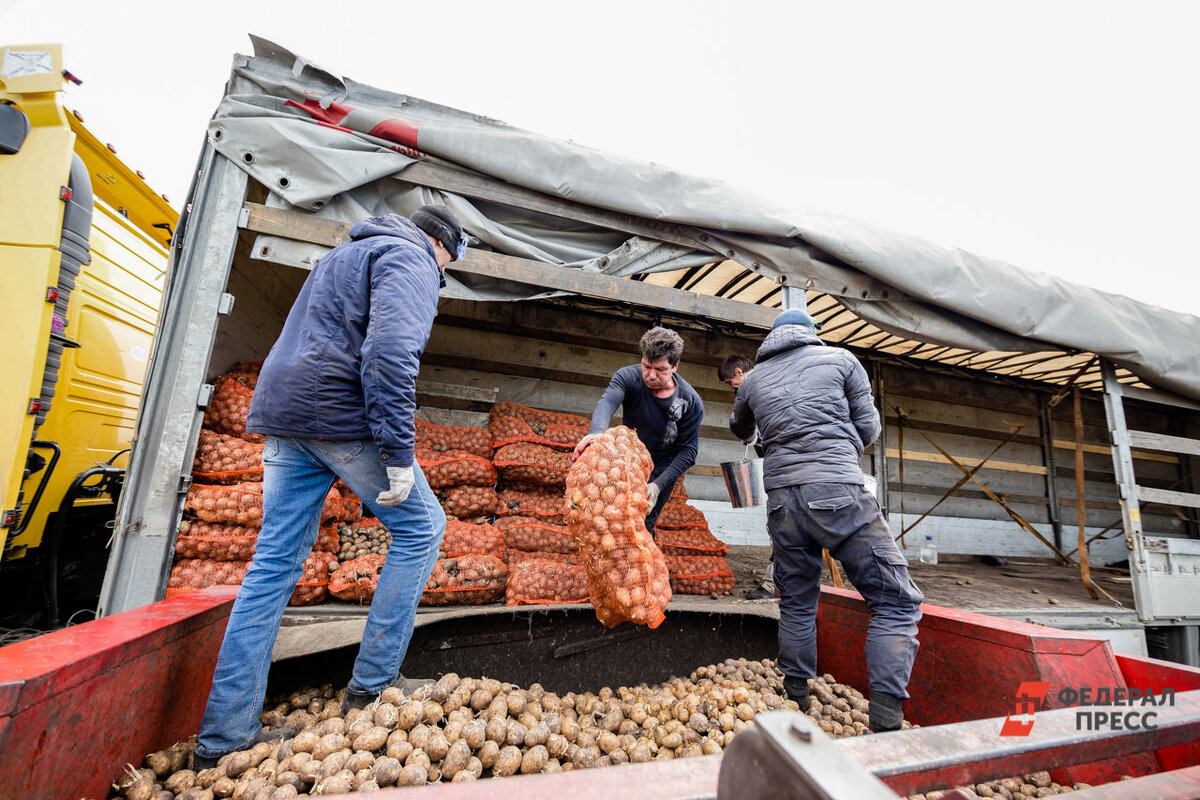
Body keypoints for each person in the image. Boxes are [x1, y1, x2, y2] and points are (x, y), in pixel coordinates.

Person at [192, 205, 467, 768]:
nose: (444, 274)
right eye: (451, 263)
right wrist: (397, 452)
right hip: (338, 416)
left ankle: (221, 739)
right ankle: (372, 688)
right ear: (443, 245)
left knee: (273, 565)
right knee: (421, 529)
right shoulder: (413, 259)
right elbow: (389, 354)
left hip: (283, 412)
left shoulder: (345, 253)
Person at [729, 308, 924, 733]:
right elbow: (869, 427)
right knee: (895, 602)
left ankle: (796, 702)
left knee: (797, 601)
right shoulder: (842, 360)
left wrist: (764, 436)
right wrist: (840, 447)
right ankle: (887, 722)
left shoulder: (754, 379)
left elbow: (738, 426)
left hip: (782, 503)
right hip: (839, 492)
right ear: (812, 334)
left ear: (772, 340)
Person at [574, 326, 704, 533]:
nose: (651, 375)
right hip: (626, 460)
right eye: (646, 366)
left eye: (660, 369)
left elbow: (689, 452)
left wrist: (657, 486)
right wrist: (597, 432)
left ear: (675, 366)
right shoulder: (628, 376)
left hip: (661, 467)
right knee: (611, 519)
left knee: (642, 526)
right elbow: (607, 402)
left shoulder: (690, 401)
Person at [718, 354, 776, 600]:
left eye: (731, 382)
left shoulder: (753, 388)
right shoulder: (772, 382)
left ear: (740, 372)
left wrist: (749, 436)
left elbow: (743, 427)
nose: (732, 388)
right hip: (793, 464)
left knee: (780, 526)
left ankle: (775, 585)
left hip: (784, 467)